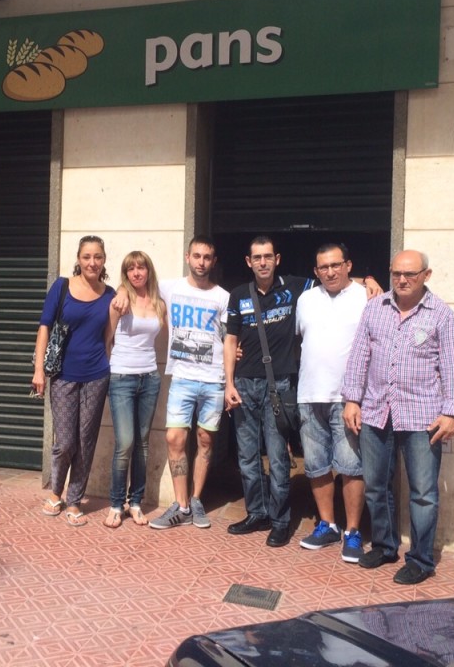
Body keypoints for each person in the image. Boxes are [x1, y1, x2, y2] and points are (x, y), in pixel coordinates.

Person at [342, 249, 454, 584]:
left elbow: (453, 367)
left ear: (426, 275)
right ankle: (385, 546)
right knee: (376, 485)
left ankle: (421, 560)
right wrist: (352, 400)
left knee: (423, 492)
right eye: (396, 273)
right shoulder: (375, 308)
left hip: (423, 416)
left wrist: (452, 413)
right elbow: (359, 357)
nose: (401, 280)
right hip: (376, 410)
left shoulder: (441, 315)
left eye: (410, 275)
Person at [223, 235, 312, 548]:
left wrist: (368, 280)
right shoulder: (238, 296)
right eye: (257, 257)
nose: (263, 262)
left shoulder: (294, 287)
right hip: (244, 386)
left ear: (277, 259)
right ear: (249, 262)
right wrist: (229, 384)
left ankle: (280, 521)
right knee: (247, 457)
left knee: (277, 458)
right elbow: (230, 341)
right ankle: (256, 513)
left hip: (279, 386)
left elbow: (335, 280)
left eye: (268, 257)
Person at [145, 235, 230, 530]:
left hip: (213, 380)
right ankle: (180, 506)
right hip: (181, 378)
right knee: (174, 439)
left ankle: (195, 499)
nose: (201, 262)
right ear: (187, 257)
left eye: (207, 257)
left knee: (206, 441)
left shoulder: (223, 296)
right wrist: (118, 292)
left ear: (213, 261)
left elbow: (230, 336)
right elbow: (137, 283)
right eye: (197, 256)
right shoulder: (170, 288)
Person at [32, 235, 116, 527]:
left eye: (97, 257)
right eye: (87, 257)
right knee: (65, 440)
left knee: (86, 440)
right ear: (78, 259)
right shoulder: (62, 286)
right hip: (64, 376)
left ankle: (75, 499)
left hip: (97, 375)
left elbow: (110, 336)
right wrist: (39, 369)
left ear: (104, 260)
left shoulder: (110, 294)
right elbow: (44, 326)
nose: (92, 262)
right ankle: (56, 492)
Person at [294, 242, 369, 562]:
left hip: (348, 398)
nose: (330, 271)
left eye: (335, 265)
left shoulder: (367, 296)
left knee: (351, 466)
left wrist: (361, 398)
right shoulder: (306, 299)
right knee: (316, 466)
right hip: (310, 395)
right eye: (323, 267)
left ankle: (353, 531)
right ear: (315, 271)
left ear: (348, 265)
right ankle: (328, 525)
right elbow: (299, 339)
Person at [104, 251, 165, 528]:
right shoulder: (119, 302)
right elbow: (107, 340)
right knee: (125, 443)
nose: (137, 273)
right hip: (122, 378)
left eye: (141, 268)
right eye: (131, 269)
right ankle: (116, 504)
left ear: (148, 271)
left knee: (141, 443)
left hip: (150, 377)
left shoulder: (159, 303)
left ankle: (135, 502)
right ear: (126, 273)